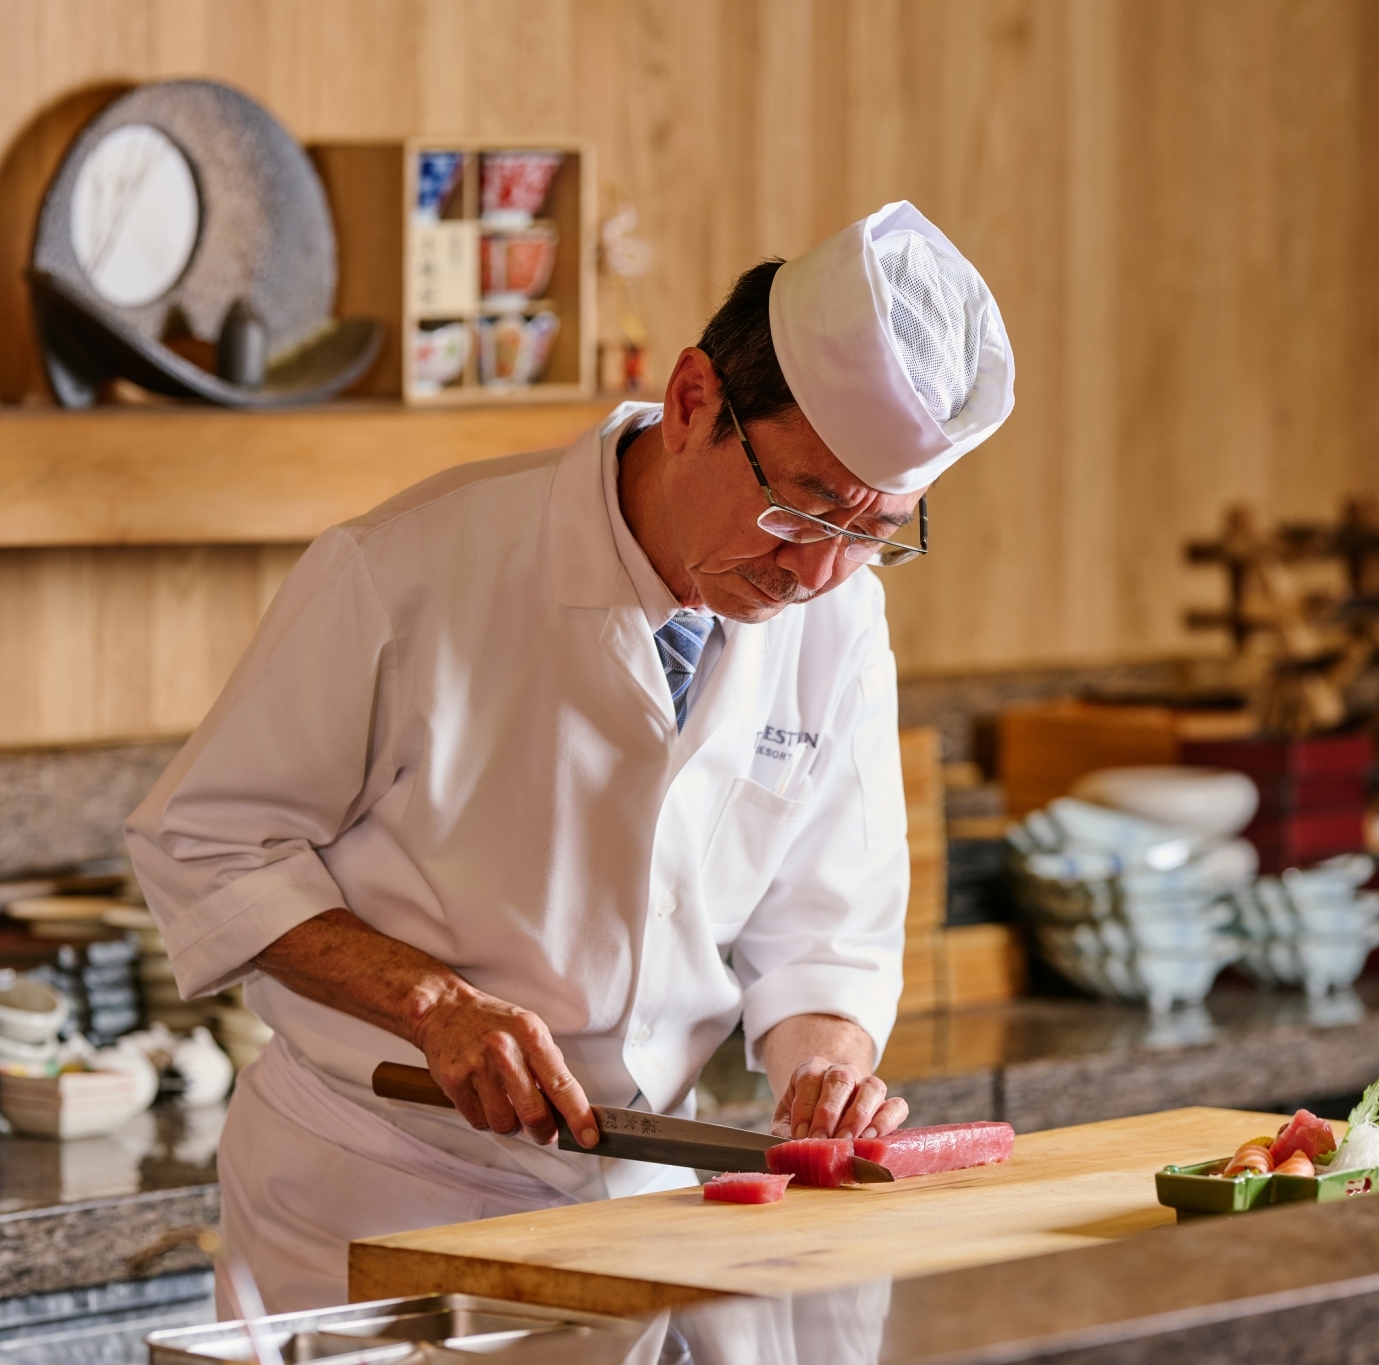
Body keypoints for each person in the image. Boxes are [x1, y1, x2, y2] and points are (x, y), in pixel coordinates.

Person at [125, 201, 1015, 1313]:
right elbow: (206, 844)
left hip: (649, 1199)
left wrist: (823, 1069)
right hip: (380, 1186)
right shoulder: (405, 569)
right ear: (693, 402)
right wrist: (434, 1004)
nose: (821, 575)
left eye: (876, 530)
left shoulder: (837, 620)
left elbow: (823, 926)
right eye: (805, 506)